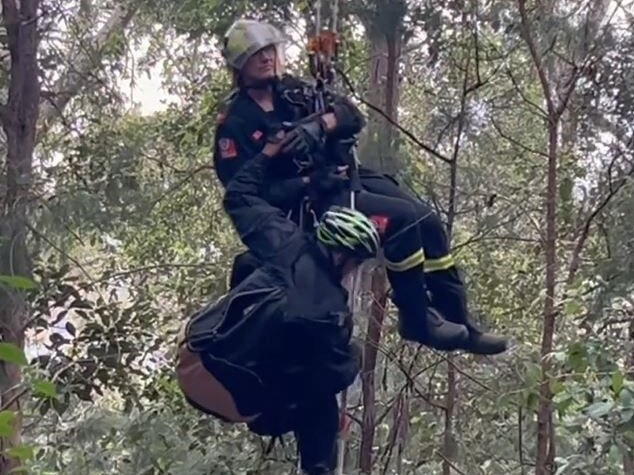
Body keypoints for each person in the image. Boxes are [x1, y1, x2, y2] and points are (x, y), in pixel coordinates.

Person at [212, 18, 507, 355]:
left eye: (269, 50)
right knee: (403, 221)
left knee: (426, 220)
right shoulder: (235, 125)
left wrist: (320, 125)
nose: (266, 58)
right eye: (255, 54)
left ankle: (460, 322)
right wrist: (305, 182)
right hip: (309, 205)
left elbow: (351, 114)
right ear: (239, 64)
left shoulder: (293, 92)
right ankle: (417, 319)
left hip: (343, 176)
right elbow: (248, 194)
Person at [176, 143, 383, 475]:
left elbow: (238, 196)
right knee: (323, 394)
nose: (354, 271)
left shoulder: (286, 240)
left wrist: (268, 153)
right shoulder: (331, 313)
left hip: (192, 358)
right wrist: (352, 358)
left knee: (250, 264)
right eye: (356, 262)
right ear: (344, 257)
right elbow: (334, 376)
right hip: (237, 399)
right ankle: (318, 469)